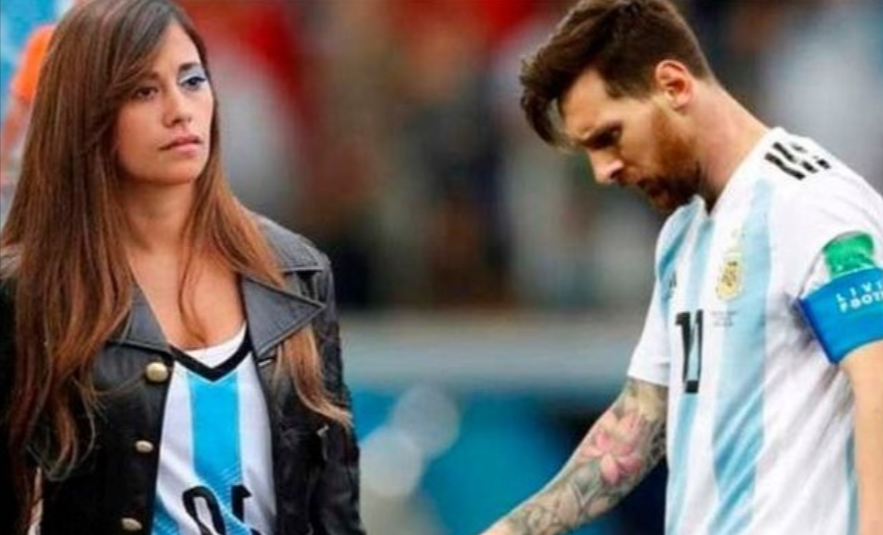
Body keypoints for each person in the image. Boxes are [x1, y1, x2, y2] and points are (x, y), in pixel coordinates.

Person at [479, 0, 883, 534]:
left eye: (608, 137)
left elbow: (878, 376)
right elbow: (643, 417)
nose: (603, 171)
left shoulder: (807, 202)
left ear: (673, 85)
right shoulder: (683, 233)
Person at [0, 1, 365, 534]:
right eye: (143, 91)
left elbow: (334, 507)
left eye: (192, 81)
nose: (180, 110)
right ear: (86, 111)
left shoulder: (295, 272)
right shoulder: (30, 291)